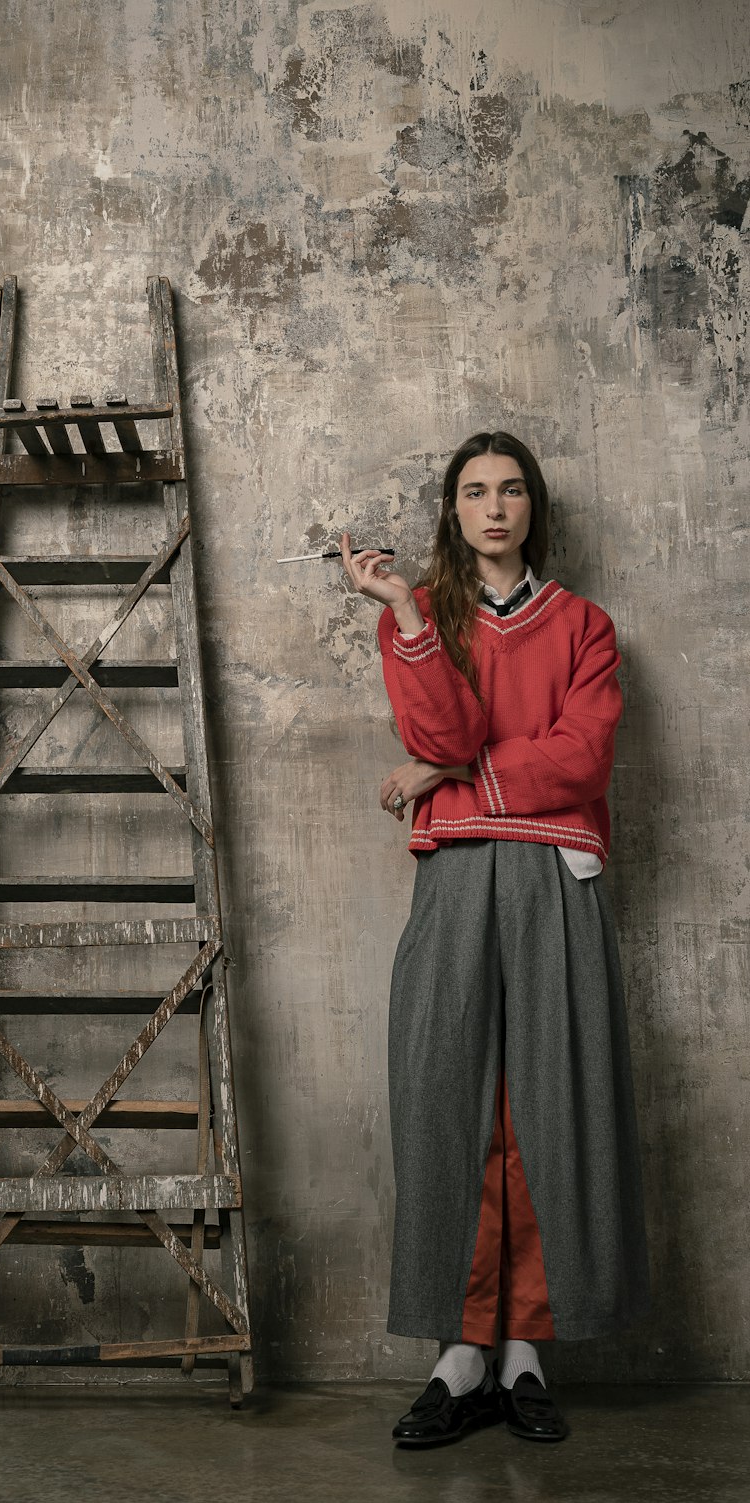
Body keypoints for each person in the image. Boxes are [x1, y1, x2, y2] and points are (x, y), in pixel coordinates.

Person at [340, 432, 649, 1447]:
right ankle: (459, 1353)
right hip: (457, 873)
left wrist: (444, 776)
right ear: (453, 510)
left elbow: (582, 759)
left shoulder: (588, 628)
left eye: (511, 489)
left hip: (555, 873)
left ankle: (525, 1352)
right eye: (474, 492)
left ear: (533, 506)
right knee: (447, 1095)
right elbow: (442, 735)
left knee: (545, 1100)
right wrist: (397, 615)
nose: (494, 507)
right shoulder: (420, 621)